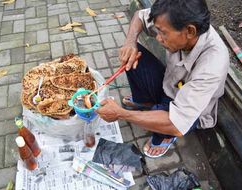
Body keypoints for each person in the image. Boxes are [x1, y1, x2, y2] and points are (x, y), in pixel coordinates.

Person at [96, 0, 230, 158]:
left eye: (163, 33)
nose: (158, 38)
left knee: (163, 118)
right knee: (132, 55)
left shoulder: (212, 64)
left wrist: (121, 114)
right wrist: (130, 42)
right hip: (171, 82)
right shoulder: (173, 20)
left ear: (190, 31)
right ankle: (146, 101)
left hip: (188, 109)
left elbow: (176, 123)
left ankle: (165, 136)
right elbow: (139, 16)